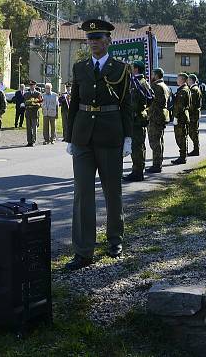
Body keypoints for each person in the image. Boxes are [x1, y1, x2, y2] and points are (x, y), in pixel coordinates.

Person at [64, 19, 132, 270]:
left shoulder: (120, 69)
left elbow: (127, 105)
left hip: (110, 135)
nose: (93, 43)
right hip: (83, 137)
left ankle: (115, 239)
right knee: (82, 194)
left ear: (108, 41)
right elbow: (74, 103)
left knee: (112, 191)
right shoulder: (80, 68)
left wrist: (128, 138)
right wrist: (69, 136)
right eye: (90, 39)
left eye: (98, 38)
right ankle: (83, 250)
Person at [124, 60, 153, 182]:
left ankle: (137, 172)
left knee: (136, 146)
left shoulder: (136, 83)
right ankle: (138, 170)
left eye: (132, 68)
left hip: (135, 119)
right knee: (140, 146)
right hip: (141, 117)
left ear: (136, 69)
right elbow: (151, 99)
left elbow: (133, 102)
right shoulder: (144, 82)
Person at [145, 68, 171, 174]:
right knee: (160, 141)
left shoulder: (156, 86)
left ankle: (156, 165)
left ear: (156, 75)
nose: (152, 76)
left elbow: (150, 101)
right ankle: (158, 163)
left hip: (155, 116)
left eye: (153, 74)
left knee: (154, 142)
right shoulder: (165, 86)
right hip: (162, 116)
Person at [170, 72, 191, 165]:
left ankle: (182, 157)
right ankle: (183, 156)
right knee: (182, 136)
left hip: (181, 117)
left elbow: (180, 106)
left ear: (182, 79)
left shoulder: (183, 90)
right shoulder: (183, 89)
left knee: (181, 137)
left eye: (178, 78)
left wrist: (176, 117)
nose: (177, 80)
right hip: (182, 116)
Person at [187, 73, 202, 156]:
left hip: (193, 114)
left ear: (191, 80)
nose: (187, 82)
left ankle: (196, 149)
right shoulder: (196, 88)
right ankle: (196, 148)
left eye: (188, 80)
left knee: (192, 132)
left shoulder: (194, 89)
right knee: (194, 131)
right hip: (195, 114)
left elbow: (191, 103)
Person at [23, 81, 42, 146]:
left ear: (35, 86)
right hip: (28, 113)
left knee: (34, 128)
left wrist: (35, 104)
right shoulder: (26, 94)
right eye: (30, 85)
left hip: (35, 113)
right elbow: (25, 103)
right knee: (28, 128)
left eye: (32, 85)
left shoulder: (38, 94)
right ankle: (29, 141)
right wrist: (29, 104)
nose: (31, 86)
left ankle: (33, 141)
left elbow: (40, 103)